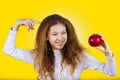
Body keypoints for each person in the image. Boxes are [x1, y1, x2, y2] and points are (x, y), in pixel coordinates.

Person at [3, 14, 116, 80]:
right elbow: (8, 50)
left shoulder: (79, 56)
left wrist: (108, 52)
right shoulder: (38, 56)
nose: (60, 38)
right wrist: (16, 25)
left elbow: (111, 72)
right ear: (46, 37)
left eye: (63, 33)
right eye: (55, 34)